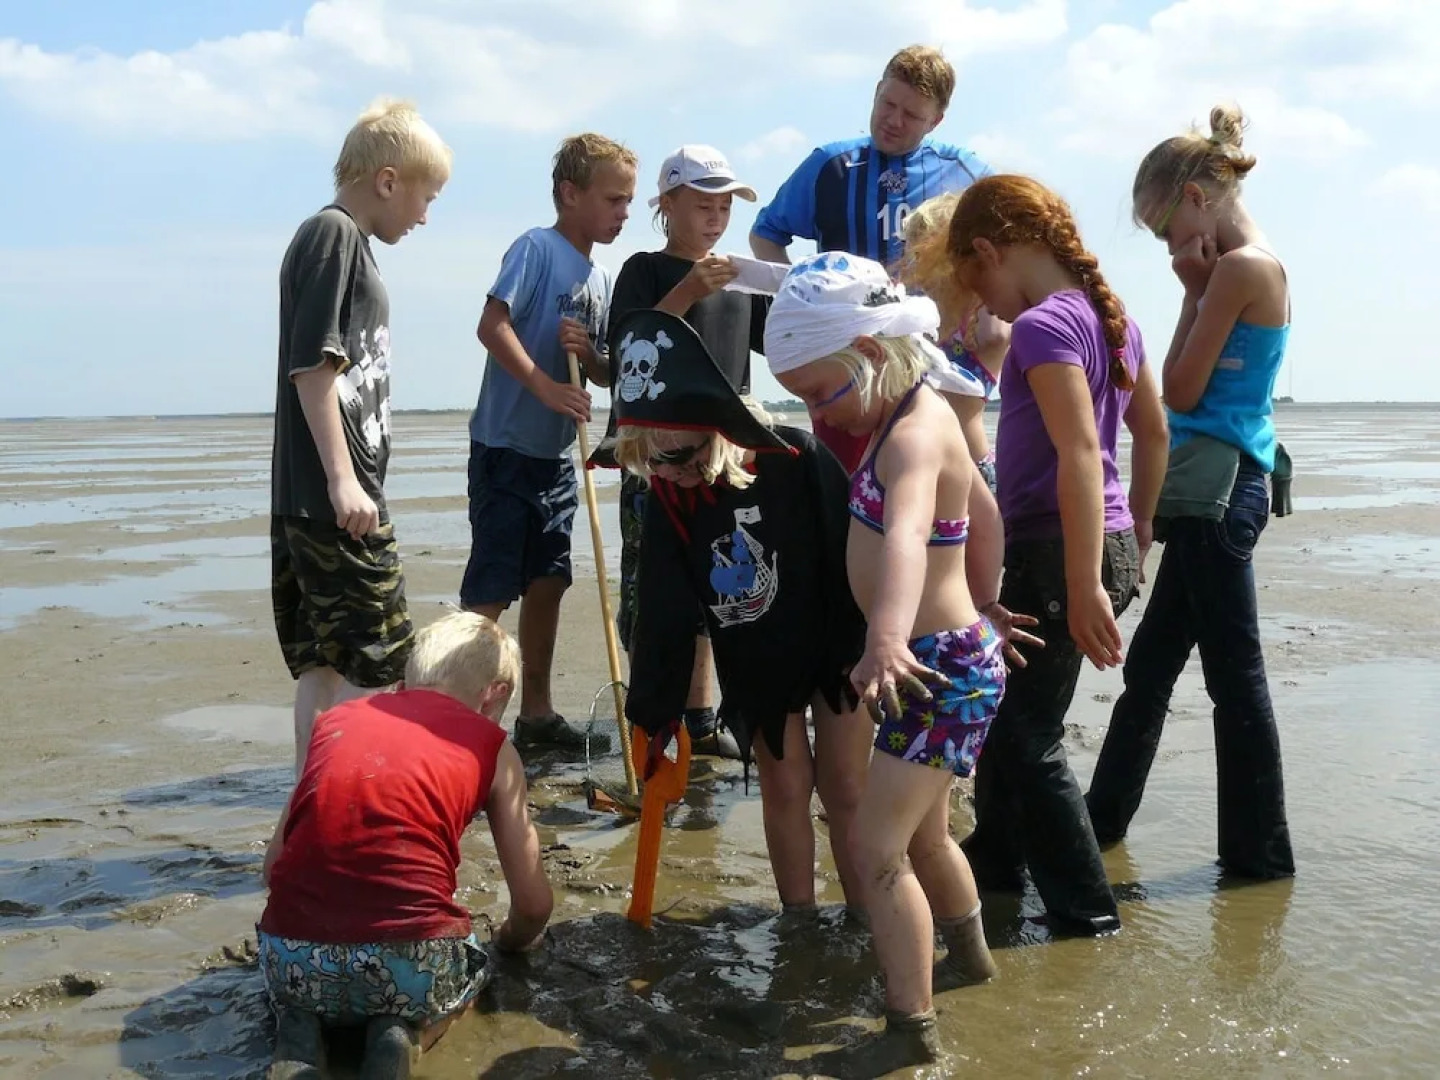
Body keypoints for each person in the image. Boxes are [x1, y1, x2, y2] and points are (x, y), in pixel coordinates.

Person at [763, 252, 1040, 1070]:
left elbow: (913, 536)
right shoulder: (910, 415)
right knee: (923, 837)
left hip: (930, 666)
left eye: (820, 391)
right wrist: (984, 600)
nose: (816, 411)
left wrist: (885, 635)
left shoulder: (914, 435)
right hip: (947, 655)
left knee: (877, 851)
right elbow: (983, 516)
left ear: (872, 353)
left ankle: (908, 1032)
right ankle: (970, 958)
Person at [945, 175, 1170, 936]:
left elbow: (1078, 451)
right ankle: (997, 862)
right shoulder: (1115, 322)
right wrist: (1134, 535)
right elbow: (1156, 434)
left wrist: (1083, 585)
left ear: (990, 250)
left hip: (1056, 550)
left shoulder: (1044, 327)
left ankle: (1086, 908)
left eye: (979, 284)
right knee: (1013, 714)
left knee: (1025, 735)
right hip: (1098, 542)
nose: (986, 308)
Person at [597, 307, 873, 915]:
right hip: (758, 662)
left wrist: (874, 642)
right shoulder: (669, 500)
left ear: (718, 426)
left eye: (686, 456)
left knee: (846, 788)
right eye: (656, 462)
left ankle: (865, 913)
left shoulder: (795, 459)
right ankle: (800, 918)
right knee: (784, 786)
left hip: (837, 642)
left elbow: (853, 554)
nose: (675, 473)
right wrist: (654, 713)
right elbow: (665, 614)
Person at [1086, 105, 1295, 880]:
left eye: (1163, 228)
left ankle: (1259, 861)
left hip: (1223, 493)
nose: (1167, 246)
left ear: (1199, 201)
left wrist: (1190, 290)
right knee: (1151, 668)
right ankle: (1100, 823)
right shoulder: (1229, 269)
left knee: (1233, 679)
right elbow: (1181, 393)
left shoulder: (1241, 270)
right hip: (1214, 492)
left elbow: (1176, 386)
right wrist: (1193, 287)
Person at [259, 611, 552, 1080]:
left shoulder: (334, 722)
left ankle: (299, 1030)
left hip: (293, 959)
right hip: (409, 966)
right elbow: (534, 905)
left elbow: (273, 866)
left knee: (303, 987)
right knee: (468, 970)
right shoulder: (494, 746)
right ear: (494, 694)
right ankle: (406, 1033)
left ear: (403, 681)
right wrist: (509, 942)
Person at [270, 98, 451, 774]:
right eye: (425, 197)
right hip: (333, 499)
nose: (426, 215)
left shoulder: (341, 241)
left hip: (320, 497)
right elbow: (313, 366)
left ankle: (312, 809)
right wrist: (345, 481)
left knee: (326, 662)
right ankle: (356, 808)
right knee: (378, 659)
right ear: (387, 180)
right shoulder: (334, 235)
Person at [463, 134, 637, 751]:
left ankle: (535, 713)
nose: (624, 212)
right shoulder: (536, 249)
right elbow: (492, 324)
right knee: (491, 587)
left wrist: (589, 354)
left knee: (549, 581)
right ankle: (459, 716)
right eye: (614, 199)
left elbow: (610, 370)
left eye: (629, 201)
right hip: (506, 448)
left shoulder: (603, 277)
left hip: (559, 458)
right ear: (570, 193)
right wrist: (543, 385)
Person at [600, 144, 772, 760]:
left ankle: (701, 720)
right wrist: (688, 290)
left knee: (720, 578)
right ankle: (652, 715)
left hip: (725, 453)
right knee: (651, 586)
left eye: (725, 206)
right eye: (703, 204)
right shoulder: (644, 270)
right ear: (667, 204)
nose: (716, 218)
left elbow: (777, 345)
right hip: (656, 451)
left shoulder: (740, 277)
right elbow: (627, 346)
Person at [749, 44, 992, 473]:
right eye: (888, 103)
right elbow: (765, 234)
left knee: (938, 489)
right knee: (849, 492)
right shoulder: (831, 165)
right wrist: (804, 309)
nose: (894, 121)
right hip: (846, 368)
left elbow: (999, 253)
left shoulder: (967, 173)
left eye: (912, 114)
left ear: (936, 120)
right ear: (877, 91)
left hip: (934, 362)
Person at [899, 191, 1010, 493]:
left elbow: (996, 337)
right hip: (920, 461)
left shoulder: (983, 313)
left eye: (923, 253)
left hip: (971, 463)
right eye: (912, 252)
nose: (915, 263)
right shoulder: (919, 316)